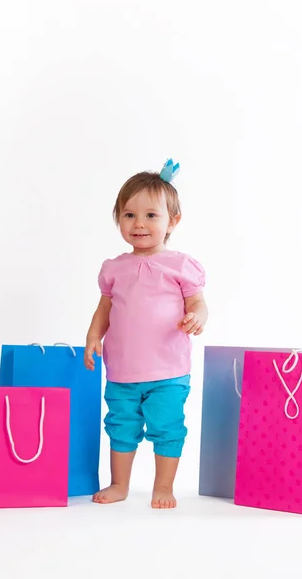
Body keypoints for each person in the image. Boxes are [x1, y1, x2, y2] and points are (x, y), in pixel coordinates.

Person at [84, 160, 208, 509]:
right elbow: (105, 309)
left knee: (167, 428)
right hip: (123, 370)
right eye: (128, 215)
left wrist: (197, 316)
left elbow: (198, 302)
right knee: (120, 427)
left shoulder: (180, 265)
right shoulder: (114, 268)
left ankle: (164, 487)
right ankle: (119, 483)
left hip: (168, 371)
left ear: (173, 221)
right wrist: (94, 335)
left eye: (151, 215)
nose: (139, 223)